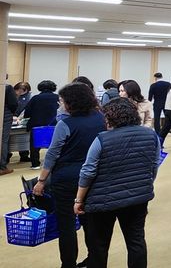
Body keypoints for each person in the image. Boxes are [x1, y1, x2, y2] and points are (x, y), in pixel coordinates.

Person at [74, 98, 161, 268]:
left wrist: (79, 199)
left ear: (111, 118)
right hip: (138, 197)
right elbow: (154, 164)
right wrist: (145, 184)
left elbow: (88, 172)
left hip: (102, 200)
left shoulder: (102, 139)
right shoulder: (150, 134)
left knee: (98, 245)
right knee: (136, 241)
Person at [32, 83, 105, 268]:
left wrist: (41, 181)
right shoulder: (102, 118)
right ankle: (95, 261)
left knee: (66, 225)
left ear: (71, 102)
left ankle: (68, 264)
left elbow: (52, 154)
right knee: (92, 224)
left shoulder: (65, 124)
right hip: (94, 178)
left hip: (66, 180)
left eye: (62, 101)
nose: (60, 104)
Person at [24, 80, 59, 169]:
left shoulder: (35, 98)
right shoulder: (58, 97)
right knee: (54, 144)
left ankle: (35, 164)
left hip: (37, 124)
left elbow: (27, 113)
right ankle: (54, 163)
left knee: (35, 145)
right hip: (54, 124)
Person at [0, 80, 18, 175]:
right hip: (5, 114)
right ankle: (2, 167)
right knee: (3, 140)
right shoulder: (7, 87)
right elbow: (13, 104)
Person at [13, 82, 31, 163]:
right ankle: (7, 156)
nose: (19, 93)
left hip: (23, 119)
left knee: (24, 137)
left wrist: (20, 117)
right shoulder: (12, 95)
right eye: (18, 90)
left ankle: (24, 155)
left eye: (21, 91)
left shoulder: (29, 97)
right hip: (11, 118)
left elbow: (27, 109)